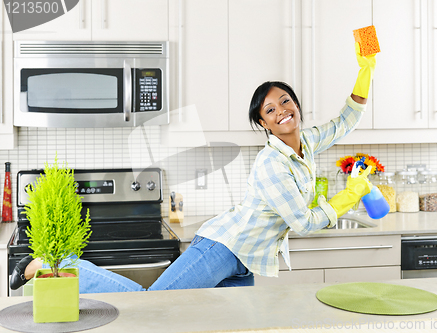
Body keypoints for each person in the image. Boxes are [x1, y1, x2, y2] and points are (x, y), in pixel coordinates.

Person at [11, 43, 377, 293]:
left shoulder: (308, 141)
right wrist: (350, 195)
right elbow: (304, 223)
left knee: (214, 323)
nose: (281, 109)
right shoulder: (271, 164)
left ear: (296, 104)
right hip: (221, 248)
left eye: (285, 100)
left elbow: (346, 120)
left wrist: (366, 71)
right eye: (270, 109)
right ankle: (50, 265)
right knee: (155, 303)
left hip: (245, 260)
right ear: (264, 124)